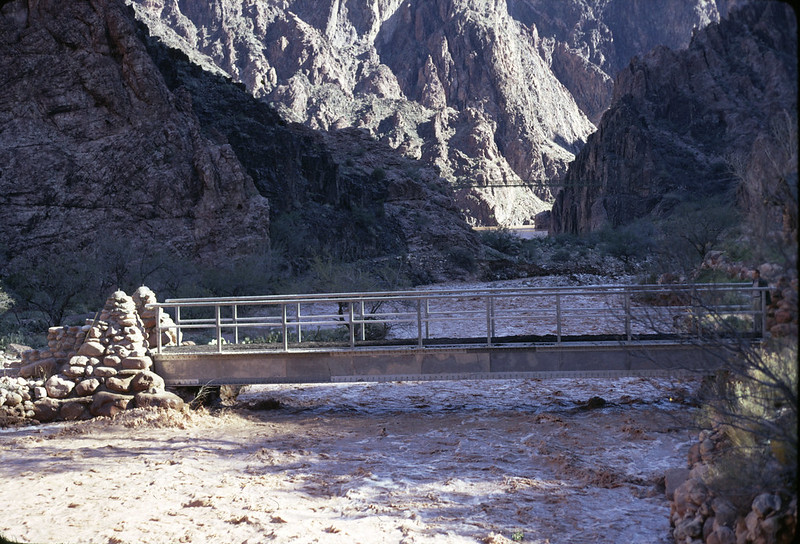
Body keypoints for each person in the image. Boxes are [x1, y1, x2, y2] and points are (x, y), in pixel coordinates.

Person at [752, 269, 770, 333]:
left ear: (757, 274)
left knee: (760, 314)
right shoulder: (754, 281)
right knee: (755, 314)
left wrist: (766, 301)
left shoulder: (762, 281)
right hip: (754, 298)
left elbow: (766, 292)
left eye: (753, 273)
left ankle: (762, 330)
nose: (752, 275)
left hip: (760, 299)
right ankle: (756, 329)